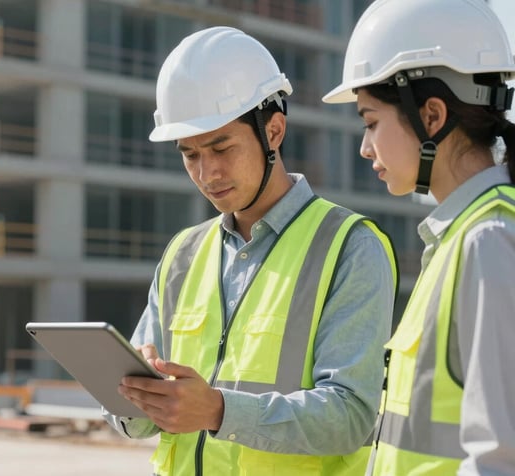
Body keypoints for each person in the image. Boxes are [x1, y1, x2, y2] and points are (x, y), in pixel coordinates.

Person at [103, 26, 398, 476]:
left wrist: (219, 411)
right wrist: (135, 400)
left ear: (274, 131)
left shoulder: (349, 247)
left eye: (222, 147)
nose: (207, 172)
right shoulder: (182, 256)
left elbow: (352, 417)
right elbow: (131, 421)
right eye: (190, 154)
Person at [323, 0, 515, 474]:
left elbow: (500, 459)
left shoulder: (486, 243)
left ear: (432, 116)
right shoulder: (458, 239)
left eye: (370, 122)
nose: (365, 147)